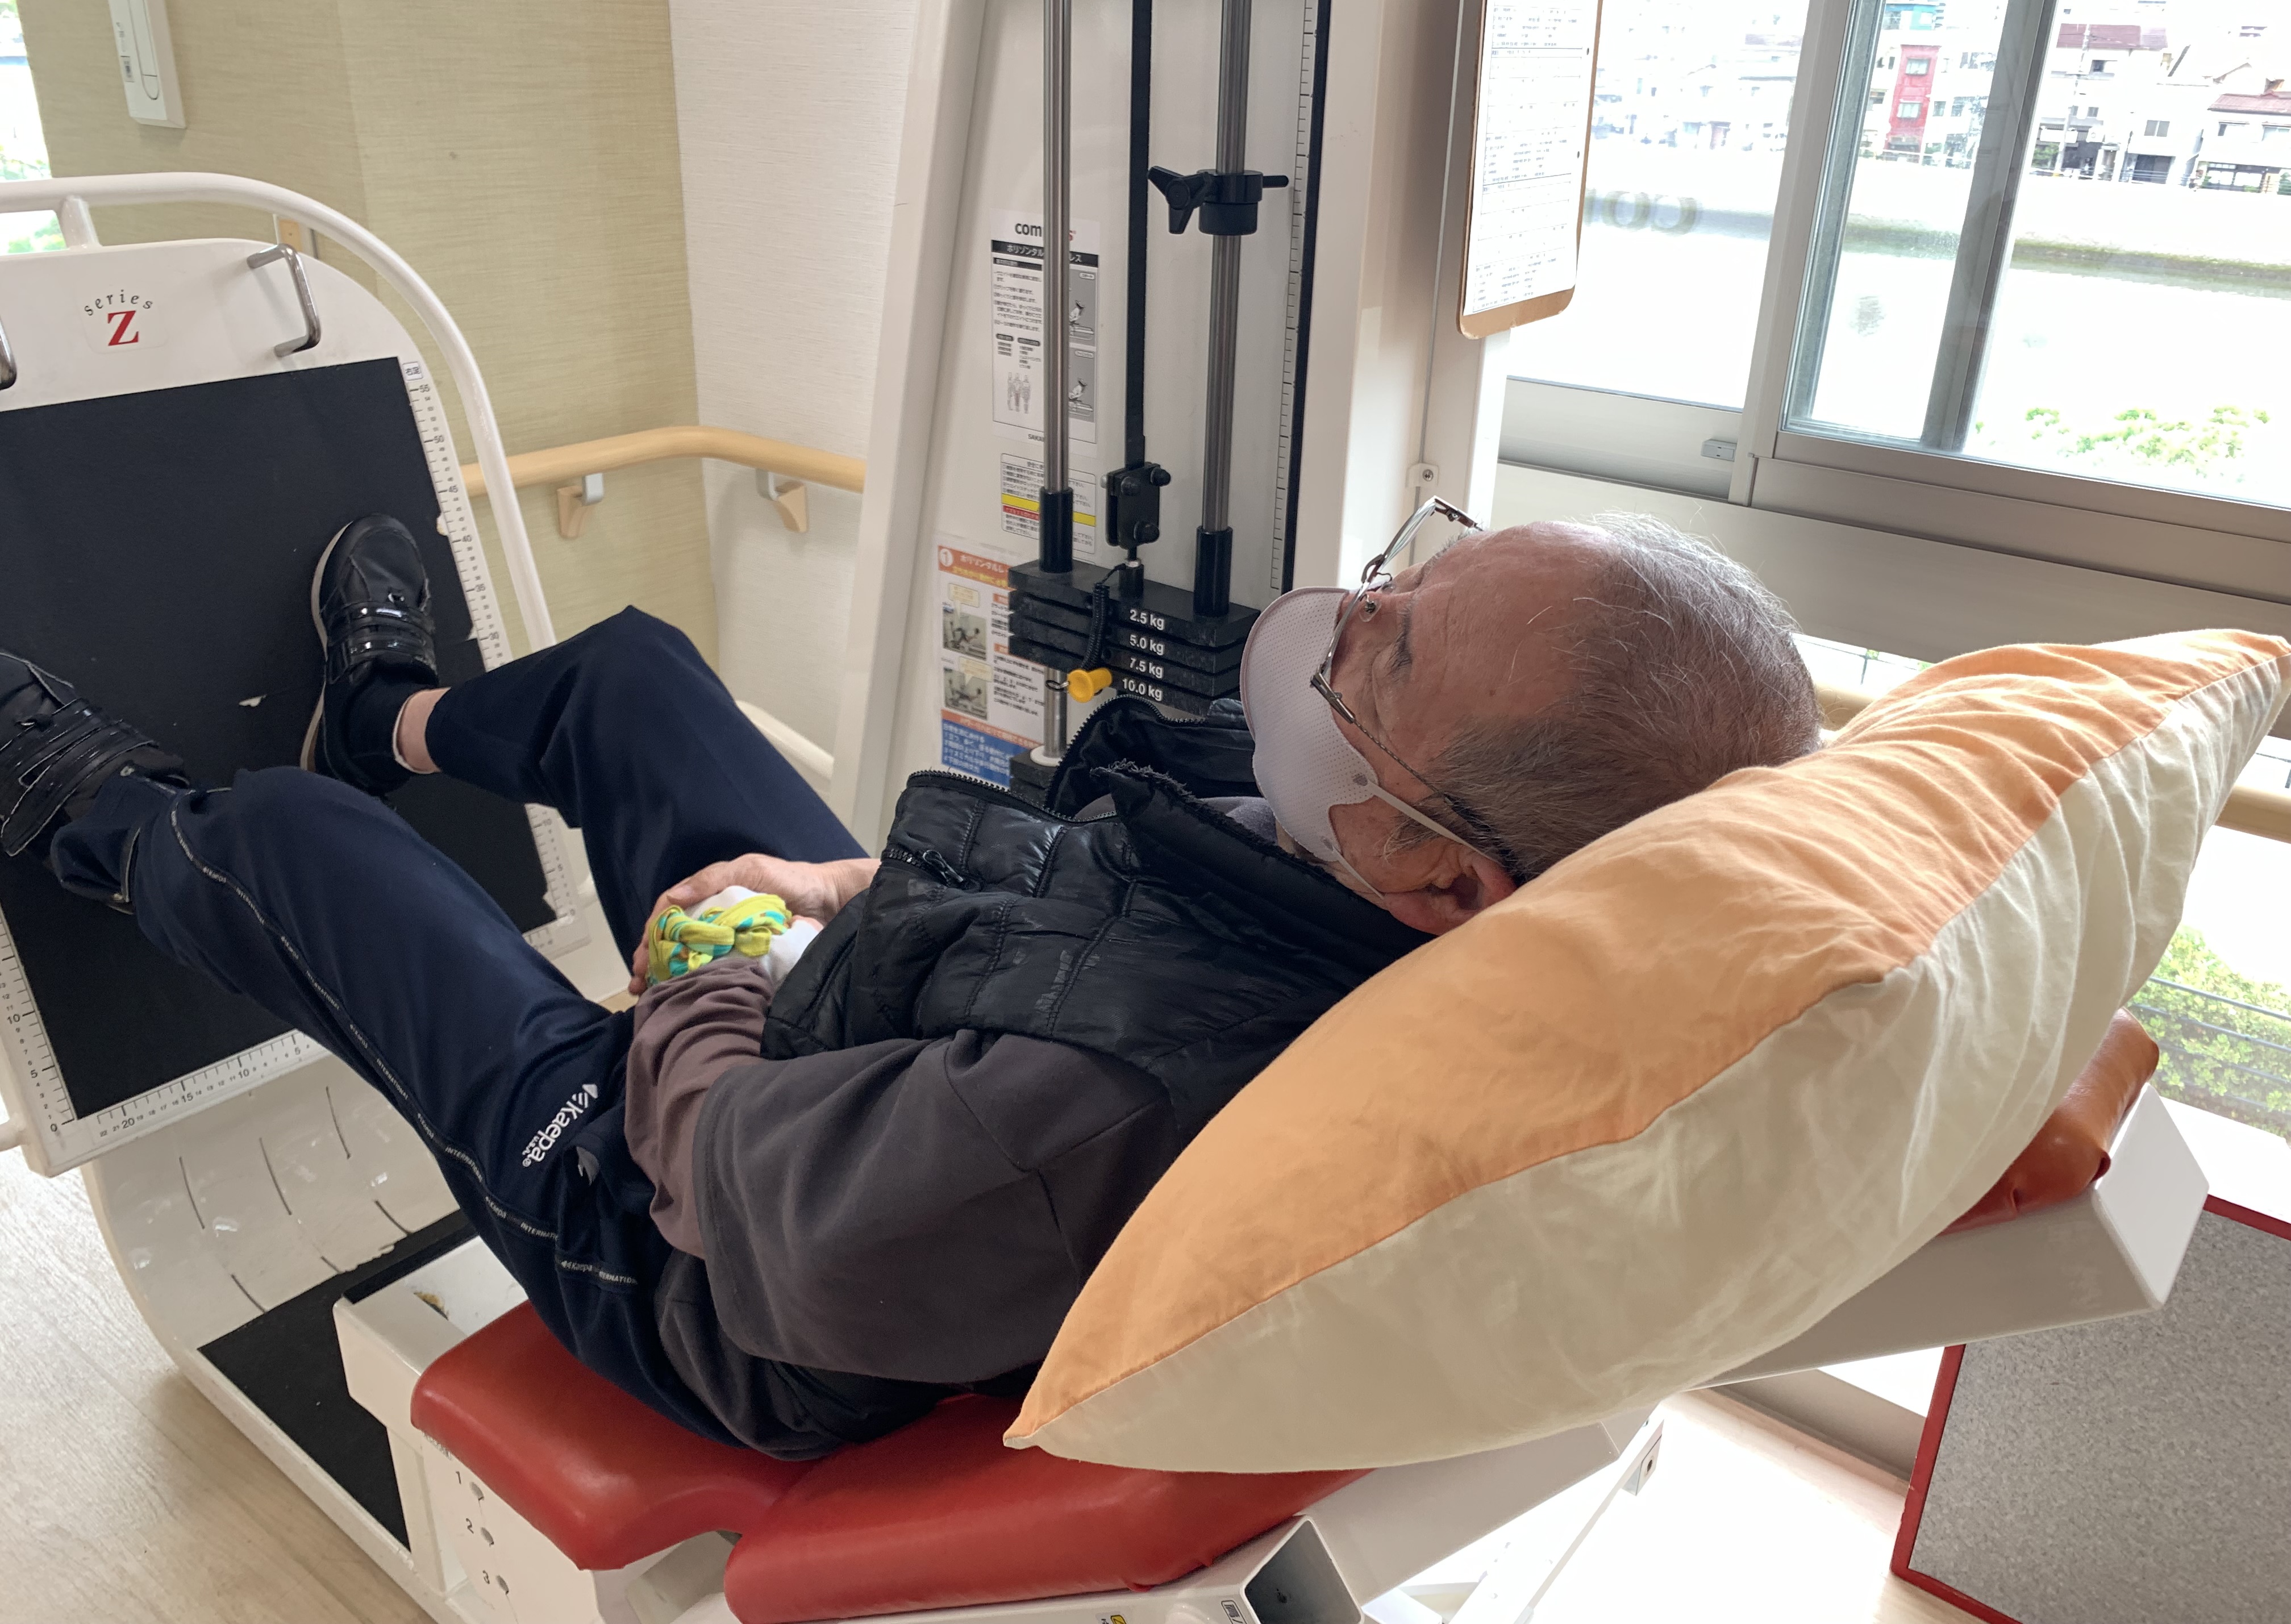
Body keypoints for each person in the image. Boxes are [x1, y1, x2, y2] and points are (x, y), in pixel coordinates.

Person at [0, 500, 1819, 1457]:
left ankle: (88, 809)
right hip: (866, 1042)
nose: (1346, 618)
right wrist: (831, 886)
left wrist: (703, 978)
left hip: (699, 1249)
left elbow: (756, 1201)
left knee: (300, 844)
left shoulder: (1114, 1105)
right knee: (634, 679)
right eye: (1412, 572)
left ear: (1447, 873)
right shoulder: (1341, 850)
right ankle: (385, 714)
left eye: (1389, 651)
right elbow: (1087, 881)